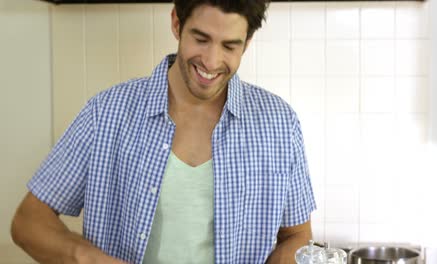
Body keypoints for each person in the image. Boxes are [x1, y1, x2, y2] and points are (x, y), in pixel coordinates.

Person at [10, 0, 316, 263]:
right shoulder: (106, 113)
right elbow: (28, 222)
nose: (211, 61)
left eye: (229, 46)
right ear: (176, 23)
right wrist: (89, 258)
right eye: (201, 39)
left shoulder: (279, 123)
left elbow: (298, 235)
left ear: (246, 43)